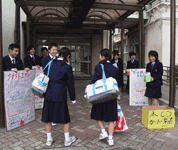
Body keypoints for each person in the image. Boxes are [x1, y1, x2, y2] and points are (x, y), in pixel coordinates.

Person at [41, 47, 76, 147]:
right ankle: (67, 140)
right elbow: (70, 84)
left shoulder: (50, 63)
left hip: (49, 95)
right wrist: (73, 98)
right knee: (64, 118)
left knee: (48, 118)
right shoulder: (67, 67)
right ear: (68, 56)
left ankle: (49, 140)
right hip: (60, 95)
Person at [90, 48, 120, 146]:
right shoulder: (115, 68)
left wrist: (89, 89)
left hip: (100, 95)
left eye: (100, 55)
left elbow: (94, 80)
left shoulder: (98, 67)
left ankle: (103, 132)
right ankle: (110, 139)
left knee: (97, 115)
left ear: (103, 56)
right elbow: (118, 83)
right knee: (111, 117)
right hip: (111, 95)